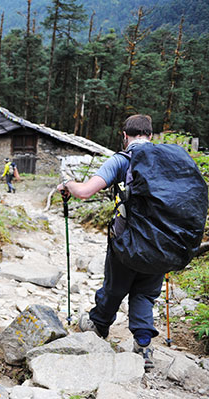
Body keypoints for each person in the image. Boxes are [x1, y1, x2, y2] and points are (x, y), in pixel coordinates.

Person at [56, 114, 163, 370]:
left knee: (115, 287)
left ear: (125, 136)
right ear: (150, 135)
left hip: (128, 242)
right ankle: (144, 345)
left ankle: (99, 325)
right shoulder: (168, 161)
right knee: (145, 294)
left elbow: (84, 192)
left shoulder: (121, 159)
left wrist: (67, 183)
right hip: (161, 243)